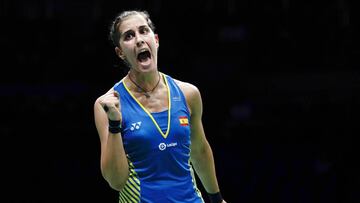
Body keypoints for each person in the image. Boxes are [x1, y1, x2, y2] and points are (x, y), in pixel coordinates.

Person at [94, 10, 226, 203]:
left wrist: (216, 199)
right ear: (120, 52)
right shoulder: (107, 104)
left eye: (143, 31)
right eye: (129, 36)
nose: (139, 40)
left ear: (155, 40)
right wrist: (115, 123)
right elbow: (116, 181)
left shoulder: (188, 94)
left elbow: (199, 150)